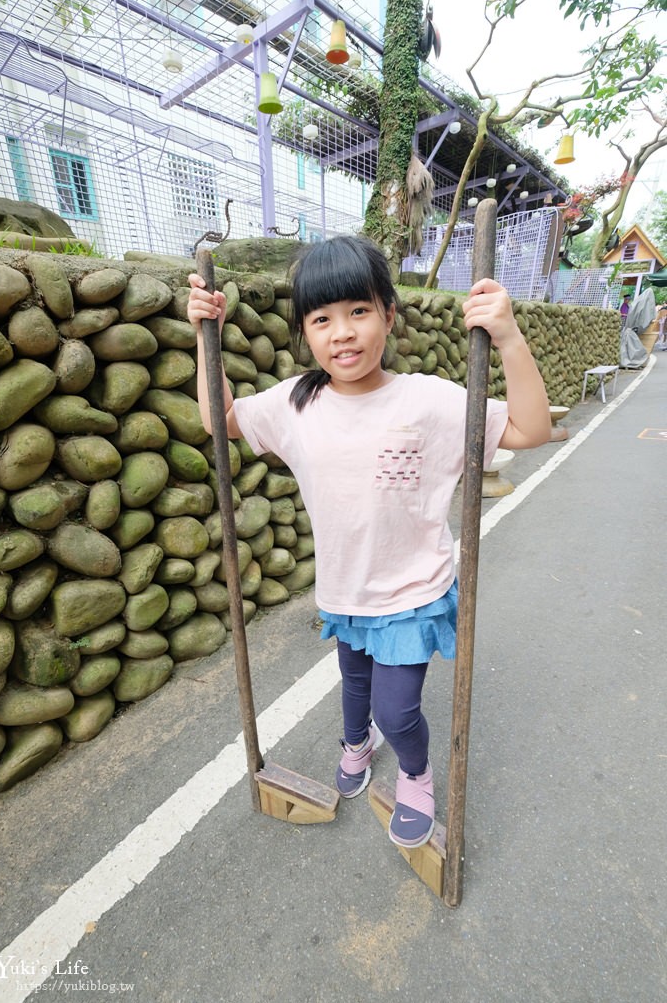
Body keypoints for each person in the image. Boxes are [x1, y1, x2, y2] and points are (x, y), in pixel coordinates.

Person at [188, 235, 550, 851]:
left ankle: (415, 772)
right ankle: (355, 743)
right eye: (322, 319)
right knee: (353, 685)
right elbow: (218, 420)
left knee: (397, 709)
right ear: (305, 332)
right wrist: (206, 338)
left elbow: (530, 428)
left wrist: (509, 339)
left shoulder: (429, 401)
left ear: (388, 312)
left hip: (412, 591)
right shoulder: (295, 404)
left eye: (359, 311)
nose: (343, 332)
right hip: (343, 588)